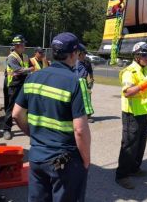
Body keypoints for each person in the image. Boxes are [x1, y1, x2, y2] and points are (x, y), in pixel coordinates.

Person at [12, 32, 91, 202]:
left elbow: (16, 114)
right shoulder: (76, 82)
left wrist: (34, 135)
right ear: (74, 54)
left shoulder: (33, 77)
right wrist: (86, 159)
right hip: (65, 160)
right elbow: (80, 130)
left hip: (37, 156)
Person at [115, 42, 147, 189]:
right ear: (137, 56)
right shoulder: (130, 71)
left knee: (140, 143)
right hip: (131, 113)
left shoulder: (144, 70)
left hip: (143, 112)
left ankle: (134, 168)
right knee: (129, 144)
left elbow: (145, 88)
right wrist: (146, 83)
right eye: (145, 55)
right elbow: (127, 92)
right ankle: (122, 176)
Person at [3, 35, 34, 140]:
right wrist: (29, 69)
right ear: (17, 46)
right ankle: (7, 129)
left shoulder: (25, 56)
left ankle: (28, 127)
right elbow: (17, 70)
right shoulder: (11, 57)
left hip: (24, 84)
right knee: (11, 108)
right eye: (22, 44)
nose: (24, 46)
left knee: (27, 106)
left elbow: (31, 66)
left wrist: (30, 69)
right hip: (14, 85)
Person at [75, 44, 94, 123]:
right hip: (79, 82)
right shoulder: (76, 62)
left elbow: (90, 72)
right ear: (79, 54)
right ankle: (81, 116)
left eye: (85, 54)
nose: (85, 55)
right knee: (81, 99)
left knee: (87, 99)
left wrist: (91, 80)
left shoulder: (86, 62)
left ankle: (87, 115)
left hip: (84, 82)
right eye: (84, 54)